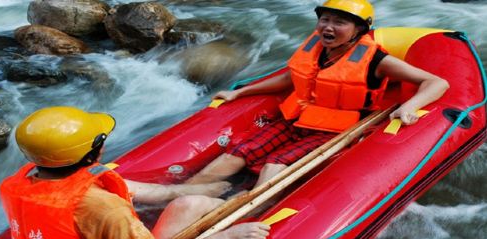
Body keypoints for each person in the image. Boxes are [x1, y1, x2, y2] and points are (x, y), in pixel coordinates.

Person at [186, 0, 449, 188]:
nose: (328, 27)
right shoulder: (317, 47)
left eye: (340, 22)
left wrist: (410, 106)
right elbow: (292, 78)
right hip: (297, 118)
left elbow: (437, 82)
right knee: (241, 152)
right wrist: (242, 92)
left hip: (334, 130)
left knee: (275, 163)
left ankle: (249, 208)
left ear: (359, 29)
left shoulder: (377, 60)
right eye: (325, 19)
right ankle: (184, 191)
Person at [0, 106, 270, 239]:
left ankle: (219, 198)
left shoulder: (18, 182)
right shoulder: (100, 206)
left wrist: (186, 189)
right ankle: (246, 205)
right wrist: (227, 237)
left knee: (189, 199)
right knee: (193, 205)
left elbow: (123, 187)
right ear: (94, 150)